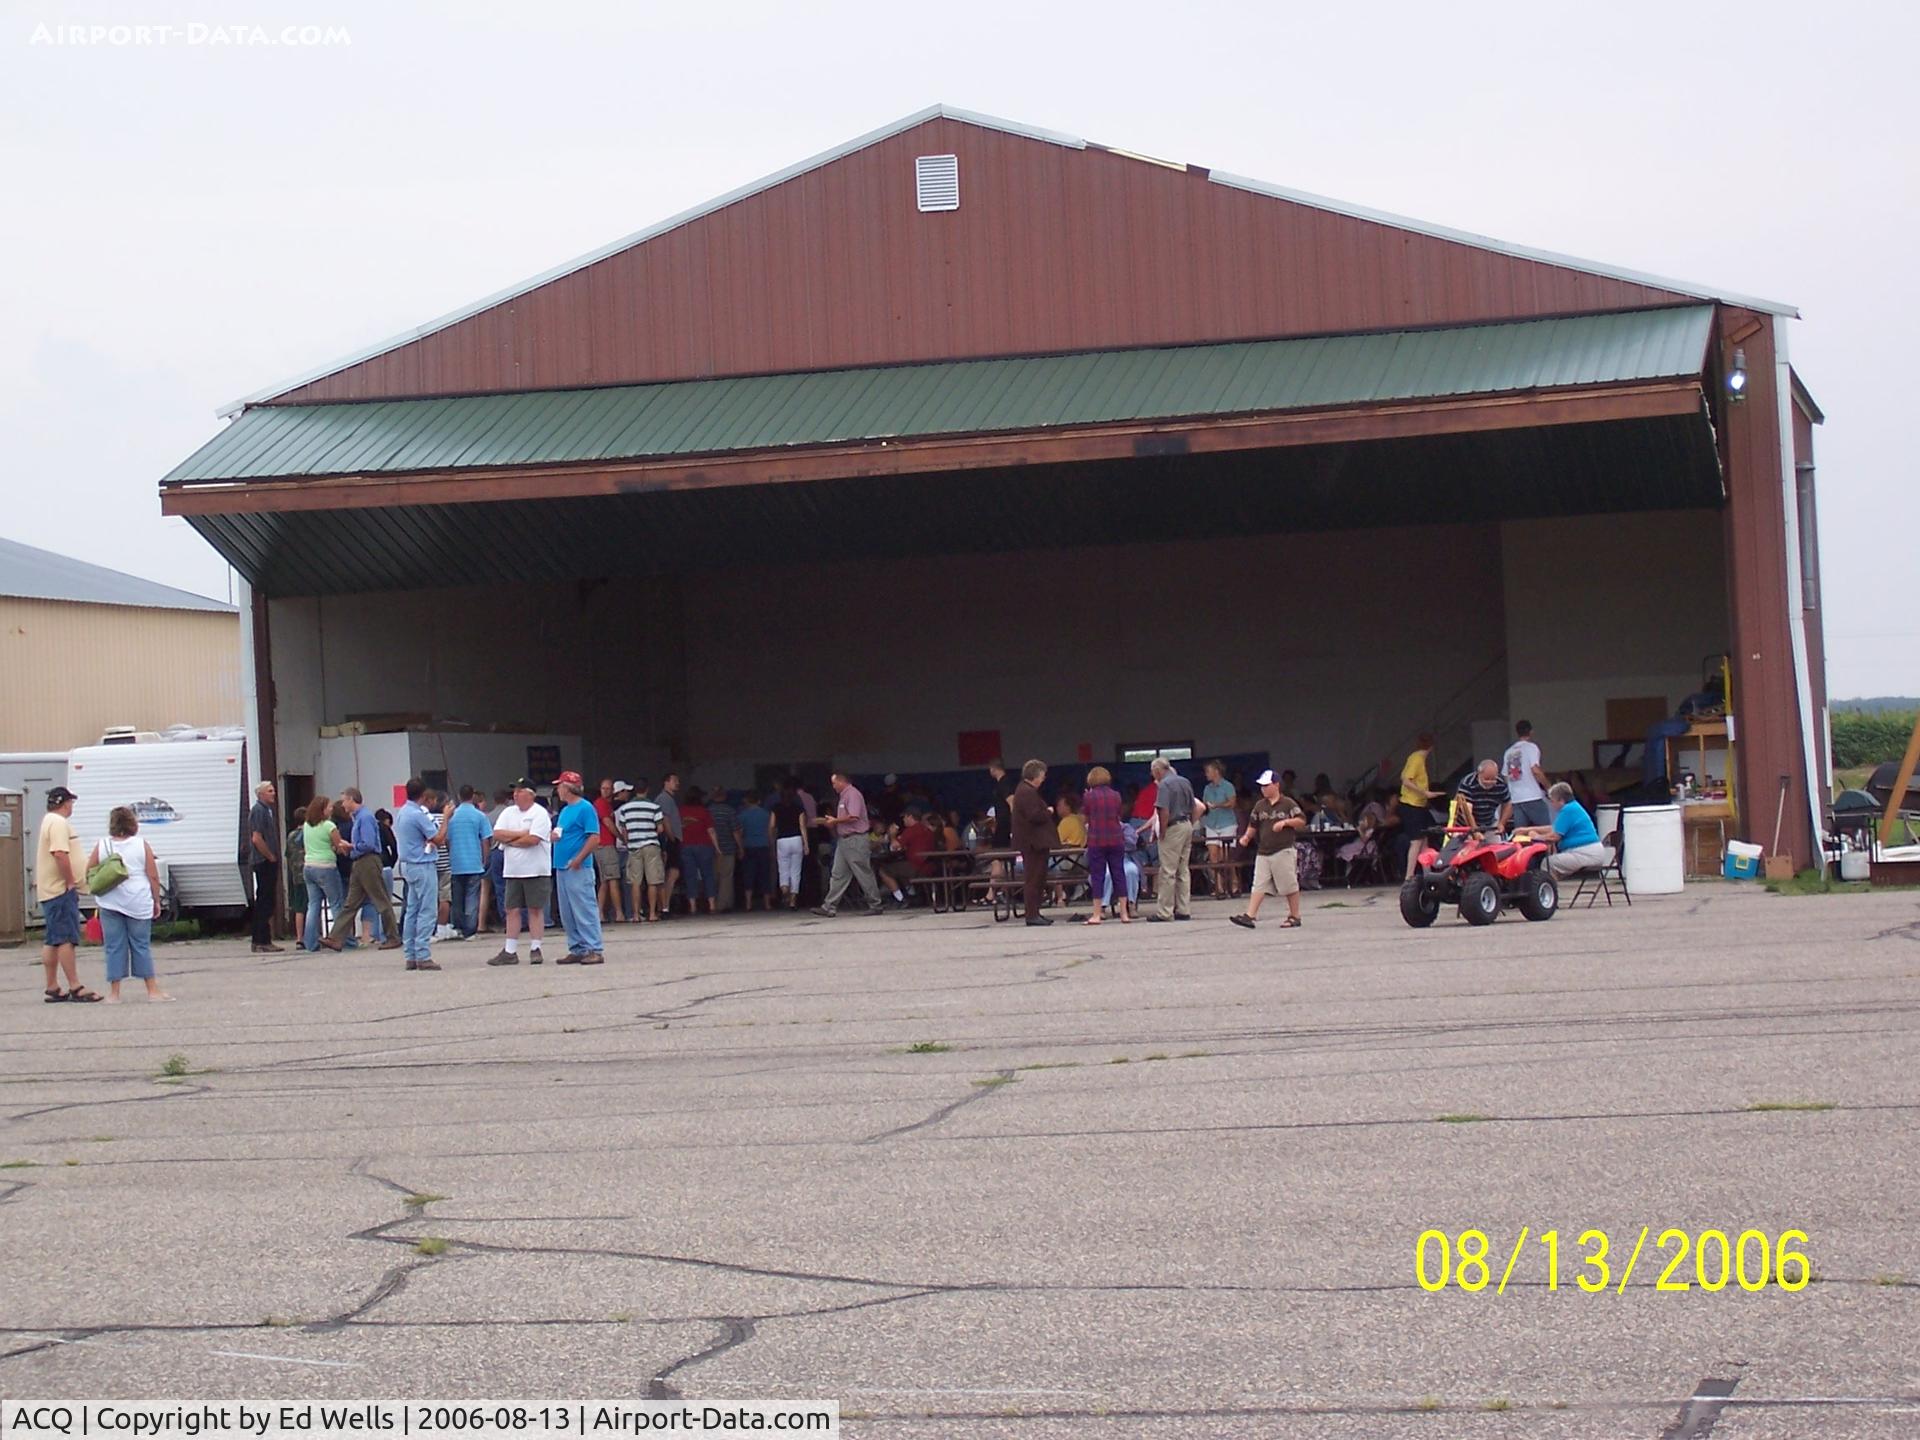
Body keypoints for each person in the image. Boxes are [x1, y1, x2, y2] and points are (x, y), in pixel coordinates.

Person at [87, 805, 171, 1003]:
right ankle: (152, 990)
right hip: (138, 900)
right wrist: (156, 900)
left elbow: (89, 869)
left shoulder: (102, 845)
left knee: (114, 946)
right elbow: (152, 874)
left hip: (109, 900)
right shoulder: (142, 844)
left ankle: (114, 993)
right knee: (141, 945)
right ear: (132, 823)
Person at [37, 786, 100, 1003]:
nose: (72, 806)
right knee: (65, 938)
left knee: (52, 938)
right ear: (64, 803)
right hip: (60, 890)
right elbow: (60, 854)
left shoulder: (48, 821)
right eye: (71, 802)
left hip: (50, 889)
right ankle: (75, 985)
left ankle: (52, 986)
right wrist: (70, 881)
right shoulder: (58, 823)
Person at [321, 789, 402, 952]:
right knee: (350, 903)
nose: (343, 804)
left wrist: (351, 846)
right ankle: (336, 938)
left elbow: (369, 843)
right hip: (358, 861)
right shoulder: (358, 818)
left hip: (368, 861)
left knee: (380, 899)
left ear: (352, 800)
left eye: (344, 801)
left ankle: (393, 936)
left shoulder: (365, 818)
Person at [1231, 770, 1307, 930]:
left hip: (1283, 850)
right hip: (1263, 851)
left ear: (1276, 785)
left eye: (1267, 786)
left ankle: (1295, 916)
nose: (1263, 789)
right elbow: (1253, 824)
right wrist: (1246, 837)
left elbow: (1301, 821)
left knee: (1288, 885)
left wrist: (1285, 823)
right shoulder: (1260, 805)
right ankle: (1249, 916)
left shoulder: (1288, 803)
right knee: (1258, 884)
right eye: (1262, 786)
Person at [489, 780, 553, 965]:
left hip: (535, 869)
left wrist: (512, 840)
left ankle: (536, 947)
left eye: (520, 791)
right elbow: (497, 834)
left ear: (531, 794)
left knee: (535, 909)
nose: (515, 794)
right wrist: (520, 834)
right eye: (514, 791)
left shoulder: (539, 813)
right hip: (513, 870)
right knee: (512, 909)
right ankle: (510, 950)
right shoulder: (508, 812)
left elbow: (533, 839)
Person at [392, 779, 450, 972]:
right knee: (427, 910)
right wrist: (446, 817)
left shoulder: (403, 812)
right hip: (422, 864)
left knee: (412, 910)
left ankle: (410, 954)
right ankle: (423, 954)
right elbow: (438, 839)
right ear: (423, 796)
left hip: (408, 864)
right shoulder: (417, 815)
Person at [811, 771, 884, 917]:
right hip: (844, 839)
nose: (833, 787)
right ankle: (829, 906)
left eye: (834, 783)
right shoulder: (844, 796)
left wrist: (835, 821)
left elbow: (854, 816)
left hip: (855, 839)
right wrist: (833, 822)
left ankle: (875, 904)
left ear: (841, 781)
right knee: (838, 874)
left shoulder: (853, 794)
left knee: (863, 872)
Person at [551, 772, 605, 962]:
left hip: (578, 867)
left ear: (568, 787)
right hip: (562, 867)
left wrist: (579, 858)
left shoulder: (585, 808)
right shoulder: (565, 811)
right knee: (567, 911)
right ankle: (577, 947)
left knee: (584, 907)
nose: (557, 790)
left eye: (560, 786)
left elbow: (594, 837)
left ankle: (594, 948)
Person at [1516, 782, 1611, 879]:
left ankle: (1550, 891)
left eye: (1552, 801)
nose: (1552, 805)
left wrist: (1536, 837)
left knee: (1548, 863)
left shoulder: (1567, 810)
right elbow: (1555, 828)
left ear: (1561, 800)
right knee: (1554, 862)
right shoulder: (1573, 807)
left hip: (1586, 854)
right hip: (1590, 852)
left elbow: (1554, 836)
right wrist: (1526, 830)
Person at [1150, 758, 1199, 922]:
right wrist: (1190, 824)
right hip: (1186, 825)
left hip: (1173, 827)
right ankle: (1184, 909)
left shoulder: (1165, 785)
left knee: (1168, 871)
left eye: (1152, 772)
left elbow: (1163, 810)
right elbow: (1194, 806)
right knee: (1183, 869)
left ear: (1158, 771)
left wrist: (1162, 831)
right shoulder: (1185, 781)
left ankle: (1165, 911)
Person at [1080, 766, 1130, 925]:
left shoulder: (1089, 796)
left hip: (1097, 839)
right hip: (1116, 838)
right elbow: (1118, 814)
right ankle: (1124, 913)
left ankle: (1097, 913)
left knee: (1098, 875)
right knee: (1119, 873)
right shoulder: (1116, 795)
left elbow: (1085, 817)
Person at [1010, 758, 1056, 926]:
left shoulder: (1023, 790)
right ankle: (1031, 915)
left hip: (1033, 842)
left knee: (1038, 878)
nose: (1044, 778)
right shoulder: (1027, 792)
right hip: (1033, 843)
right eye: (1042, 775)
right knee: (1034, 879)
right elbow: (1035, 815)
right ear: (1035, 775)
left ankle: (1035, 912)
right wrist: (1048, 811)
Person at [300, 795, 347, 953]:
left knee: (313, 905)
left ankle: (310, 942)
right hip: (326, 867)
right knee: (336, 903)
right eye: (329, 807)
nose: (332, 809)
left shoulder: (307, 825)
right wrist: (340, 848)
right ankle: (340, 939)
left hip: (309, 866)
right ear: (322, 810)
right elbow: (339, 846)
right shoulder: (329, 825)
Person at [615, 780, 667, 922]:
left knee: (635, 882)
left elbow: (624, 830)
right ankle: (652, 914)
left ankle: (636, 915)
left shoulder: (626, 809)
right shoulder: (654, 807)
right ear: (647, 790)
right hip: (651, 845)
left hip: (634, 846)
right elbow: (661, 828)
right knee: (652, 881)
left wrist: (628, 842)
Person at [446, 785, 493, 939]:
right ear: (472, 796)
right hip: (474, 862)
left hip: (456, 863)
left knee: (457, 897)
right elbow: (486, 840)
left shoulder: (453, 816)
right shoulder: (479, 816)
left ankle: (458, 927)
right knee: (472, 897)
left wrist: (450, 854)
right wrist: (485, 859)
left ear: (459, 796)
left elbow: (447, 840)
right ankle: (470, 930)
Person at [245, 780, 283, 953]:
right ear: (260, 794)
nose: (273, 793)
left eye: (273, 790)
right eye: (269, 791)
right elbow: (256, 837)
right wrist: (270, 856)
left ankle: (262, 939)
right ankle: (261, 940)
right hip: (263, 861)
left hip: (267, 859)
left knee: (268, 900)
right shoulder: (259, 810)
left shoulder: (268, 811)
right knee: (264, 900)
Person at [1397, 733, 1441, 877]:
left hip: (1418, 805)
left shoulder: (1416, 758)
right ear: (1431, 747)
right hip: (1412, 804)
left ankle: (1427, 873)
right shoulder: (1417, 759)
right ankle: (1409, 876)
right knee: (1416, 841)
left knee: (1424, 841)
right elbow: (1406, 780)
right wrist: (1424, 793)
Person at [1201, 760, 1239, 900]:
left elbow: (1232, 803)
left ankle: (1234, 882)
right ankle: (1219, 887)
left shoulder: (1228, 786)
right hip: (1211, 823)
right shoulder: (1207, 788)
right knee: (1213, 857)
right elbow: (1205, 804)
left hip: (1227, 823)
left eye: (1208, 771)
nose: (1206, 774)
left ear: (1216, 771)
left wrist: (1217, 805)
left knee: (1226, 856)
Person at [1503, 720, 1551, 828]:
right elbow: (1535, 770)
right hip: (1532, 796)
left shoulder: (1508, 752)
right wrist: (1549, 787)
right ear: (1531, 731)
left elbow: (1506, 776)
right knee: (1546, 829)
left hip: (1516, 799)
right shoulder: (1531, 748)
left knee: (1521, 835)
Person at [679, 786, 718, 914]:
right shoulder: (704, 811)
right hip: (704, 846)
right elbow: (711, 831)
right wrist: (717, 848)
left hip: (686, 846)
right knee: (708, 875)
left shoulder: (681, 811)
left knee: (690, 876)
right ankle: (711, 905)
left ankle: (693, 906)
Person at [593, 778, 626, 923]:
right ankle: (619, 913)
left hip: (601, 845)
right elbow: (608, 823)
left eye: (608, 788)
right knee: (613, 879)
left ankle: (600, 913)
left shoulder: (607, 804)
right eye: (603, 788)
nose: (605, 791)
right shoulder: (601, 804)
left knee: (605, 881)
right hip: (605, 844)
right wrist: (621, 837)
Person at [772, 781, 809, 909]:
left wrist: (771, 840)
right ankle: (793, 900)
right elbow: (802, 826)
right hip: (797, 839)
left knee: (783, 869)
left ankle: (785, 891)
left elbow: (772, 826)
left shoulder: (776, 808)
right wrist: (806, 844)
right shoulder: (798, 808)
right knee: (796, 871)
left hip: (782, 840)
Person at [1455, 759, 1513, 837]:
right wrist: (1475, 831)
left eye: (1493, 779)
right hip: (1465, 825)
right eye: (1486, 779)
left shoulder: (1501, 784)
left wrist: (1502, 823)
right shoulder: (1468, 783)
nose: (1490, 782)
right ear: (1479, 774)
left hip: (1489, 824)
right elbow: (1466, 811)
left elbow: (1508, 804)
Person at [736, 790, 773, 911]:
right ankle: (767, 903)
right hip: (763, 846)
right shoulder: (766, 814)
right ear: (759, 801)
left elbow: (740, 833)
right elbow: (770, 832)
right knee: (765, 874)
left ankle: (748, 903)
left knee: (749, 874)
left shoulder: (742, 815)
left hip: (749, 846)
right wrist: (771, 846)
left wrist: (740, 848)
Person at [655, 773, 683, 916]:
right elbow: (665, 818)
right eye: (675, 780)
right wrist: (672, 837)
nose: (677, 783)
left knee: (671, 873)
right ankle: (664, 906)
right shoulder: (664, 799)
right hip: (669, 840)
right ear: (666, 782)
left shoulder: (669, 799)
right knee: (671, 873)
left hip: (672, 838)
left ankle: (664, 905)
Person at [709, 788, 740, 912]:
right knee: (726, 877)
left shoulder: (708, 811)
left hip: (711, 849)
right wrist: (741, 847)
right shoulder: (730, 811)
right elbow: (736, 831)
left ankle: (711, 902)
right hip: (728, 848)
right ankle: (722, 904)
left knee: (713, 876)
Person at [986, 758, 1016, 850]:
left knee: (997, 853)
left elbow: (1012, 801)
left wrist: (1014, 822)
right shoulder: (1003, 783)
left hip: (1005, 824)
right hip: (1003, 823)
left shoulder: (1004, 783)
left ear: (993, 768)